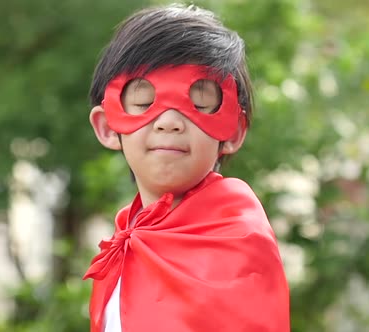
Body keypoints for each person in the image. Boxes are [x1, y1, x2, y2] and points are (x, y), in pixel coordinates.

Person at [84, 4, 290, 332]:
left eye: (200, 103)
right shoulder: (124, 241)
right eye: (142, 102)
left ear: (233, 130)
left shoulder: (240, 240)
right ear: (108, 127)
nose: (169, 121)